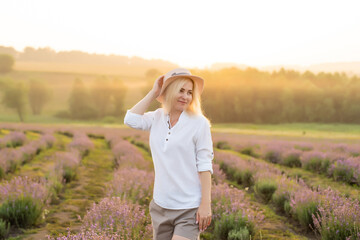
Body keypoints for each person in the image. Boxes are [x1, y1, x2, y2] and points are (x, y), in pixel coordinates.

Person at [124, 67, 214, 240]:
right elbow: (130, 120)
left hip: (189, 207)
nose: (185, 96)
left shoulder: (199, 123)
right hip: (160, 205)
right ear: (169, 91)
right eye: (180, 90)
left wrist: (205, 205)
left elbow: (204, 165)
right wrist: (153, 92)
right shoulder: (157, 117)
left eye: (189, 92)